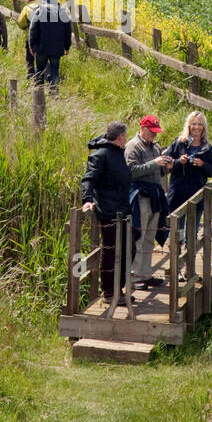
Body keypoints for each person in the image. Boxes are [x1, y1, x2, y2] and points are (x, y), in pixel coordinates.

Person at [81, 122, 132, 301]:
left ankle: (119, 289)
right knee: (110, 251)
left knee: (129, 248)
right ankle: (109, 292)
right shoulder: (100, 155)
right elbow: (88, 179)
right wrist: (87, 199)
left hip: (123, 209)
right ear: (120, 138)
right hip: (108, 210)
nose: (126, 139)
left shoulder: (119, 153)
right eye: (125, 136)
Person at [124, 114, 172, 288]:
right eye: (151, 132)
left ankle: (145, 273)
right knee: (139, 236)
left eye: (156, 132)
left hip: (154, 196)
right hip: (140, 197)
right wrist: (154, 163)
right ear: (142, 129)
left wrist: (167, 167)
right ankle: (134, 276)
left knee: (150, 236)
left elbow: (158, 173)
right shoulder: (132, 146)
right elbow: (131, 172)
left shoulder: (155, 147)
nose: (154, 135)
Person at [165, 111, 212, 215]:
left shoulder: (208, 148)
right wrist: (179, 161)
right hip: (177, 194)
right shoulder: (179, 143)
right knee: (177, 229)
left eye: (200, 124)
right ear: (189, 126)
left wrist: (203, 164)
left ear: (203, 127)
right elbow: (167, 163)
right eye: (194, 124)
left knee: (193, 230)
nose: (197, 127)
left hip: (197, 195)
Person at [28, 0, 72, 92]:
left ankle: (38, 93)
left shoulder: (39, 10)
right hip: (57, 48)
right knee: (54, 70)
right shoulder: (63, 12)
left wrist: (32, 45)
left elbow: (33, 29)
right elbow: (68, 32)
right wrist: (67, 47)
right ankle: (54, 93)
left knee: (39, 70)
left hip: (41, 47)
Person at [16, 0, 41, 81]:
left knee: (30, 58)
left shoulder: (27, 8)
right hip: (45, 37)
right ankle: (43, 76)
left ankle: (31, 76)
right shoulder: (45, 5)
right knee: (43, 58)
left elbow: (21, 22)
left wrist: (25, 27)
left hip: (31, 36)